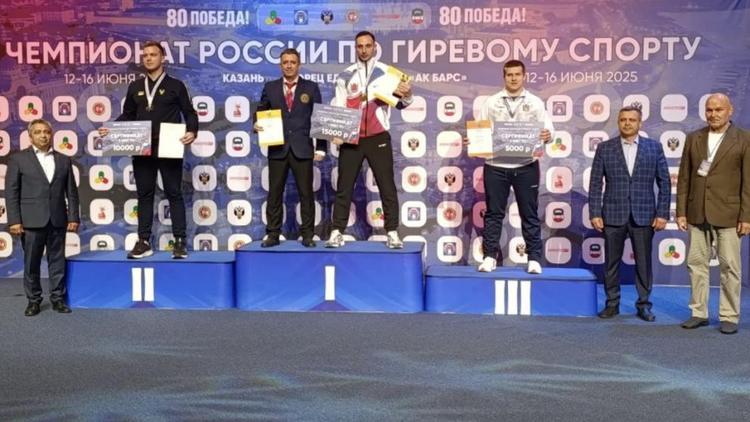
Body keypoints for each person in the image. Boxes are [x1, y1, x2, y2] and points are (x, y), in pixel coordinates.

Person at [100, 40, 198, 259]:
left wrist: (192, 130)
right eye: (145, 55)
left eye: (153, 55)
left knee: (174, 192)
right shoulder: (135, 86)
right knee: (145, 194)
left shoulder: (176, 85)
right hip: (142, 144)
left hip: (169, 143)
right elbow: (127, 115)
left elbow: (189, 112)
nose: (148, 58)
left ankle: (180, 241)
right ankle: (144, 241)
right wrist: (111, 128)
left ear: (162, 58)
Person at [325, 31, 413, 249]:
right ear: (355, 48)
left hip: (378, 137)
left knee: (386, 186)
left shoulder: (387, 73)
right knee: (344, 186)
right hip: (351, 139)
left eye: (367, 46)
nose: (364, 50)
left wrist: (408, 94)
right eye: (360, 46)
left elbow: (401, 104)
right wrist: (337, 132)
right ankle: (337, 231)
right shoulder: (345, 75)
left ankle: (392, 232)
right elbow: (339, 107)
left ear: (375, 47)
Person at [676, 93, 750, 334]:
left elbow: (748, 182)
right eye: (709, 110)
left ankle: (729, 315)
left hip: (729, 214)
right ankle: (699, 313)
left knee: (730, 268)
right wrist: (681, 211)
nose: (713, 114)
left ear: (730, 110)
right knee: (696, 264)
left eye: (719, 109)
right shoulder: (693, 138)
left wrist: (746, 216)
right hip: (697, 212)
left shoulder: (744, 139)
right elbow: (684, 177)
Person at [588, 106, 670, 321]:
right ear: (618, 122)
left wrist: (662, 213)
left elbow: (665, 183)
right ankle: (612, 304)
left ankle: (643, 305)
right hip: (612, 214)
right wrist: (595, 212)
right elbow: (595, 183)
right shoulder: (605, 148)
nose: (627, 123)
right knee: (611, 264)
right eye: (623, 119)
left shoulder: (654, 148)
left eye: (632, 120)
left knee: (644, 264)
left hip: (644, 215)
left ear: (640, 123)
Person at [475, 60, 553, 274]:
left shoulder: (535, 102)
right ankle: (489, 257)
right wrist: (474, 139)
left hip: (526, 165)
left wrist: (548, 135)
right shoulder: (491, 102)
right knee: (493, 213)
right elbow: (481, 129)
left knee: (529, 213)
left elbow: (548, 130)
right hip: (496, 165)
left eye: (517, 74)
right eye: (509, 75)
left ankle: (534, 259)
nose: (513, 78)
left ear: (524, 76)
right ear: (504, 76)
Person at [5, 119, 80, 316]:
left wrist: (73, 217)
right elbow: (11, 192)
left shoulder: (64, 159)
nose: (43, 135)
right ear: (30, 136)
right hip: (30, 221)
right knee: (31, 263)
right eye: (38, 132)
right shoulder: (18, 159)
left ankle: (58, 299)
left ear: (51, 135)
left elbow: (71, 192)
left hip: (57, 219)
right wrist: (14, 220)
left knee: (58, 262)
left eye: (46, 132)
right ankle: (33, 301)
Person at [255, 48, 325, 247]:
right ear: (280, 65)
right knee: (274, 193)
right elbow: (261, 110)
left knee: (306, 194)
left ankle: (308, 234)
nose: (289, 65)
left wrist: (321, 147)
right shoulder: (270, 87)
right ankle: (273, 234)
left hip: (302, 148)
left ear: (298, 64)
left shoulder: (310, 87)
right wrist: (256, 122)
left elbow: (319, 118)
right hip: (277, 148)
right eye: (285, 62)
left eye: (292, 62)